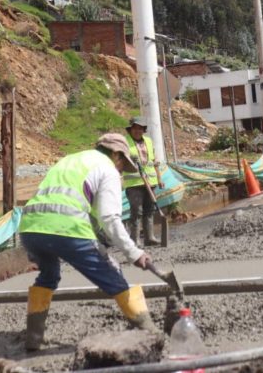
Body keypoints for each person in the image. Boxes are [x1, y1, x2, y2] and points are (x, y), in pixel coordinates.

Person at [19, 133, 158, 352]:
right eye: (123, 163)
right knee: (112, 272)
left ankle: (33, 339)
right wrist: (134, 253)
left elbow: (75, 204)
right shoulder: (107, 168)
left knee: (48, 275)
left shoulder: (70, 160)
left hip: (30, 228)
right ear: (115, 154)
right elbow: (110, 217)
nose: (121, 170)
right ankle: (150, 332)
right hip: (67, 228)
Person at [123, 117, 164, 246]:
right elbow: (119, 161)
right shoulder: (125, 143)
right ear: (130, 130)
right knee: (136, 211)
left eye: (140, 128)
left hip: (150, 181)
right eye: (135, 128)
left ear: (143, 130)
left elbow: (154, 161)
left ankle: (149, 237)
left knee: (149, 209)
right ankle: (134, 240)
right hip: (134, 184)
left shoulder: (148, 141)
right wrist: (129, 160)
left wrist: (159, 178)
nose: (138, 131)